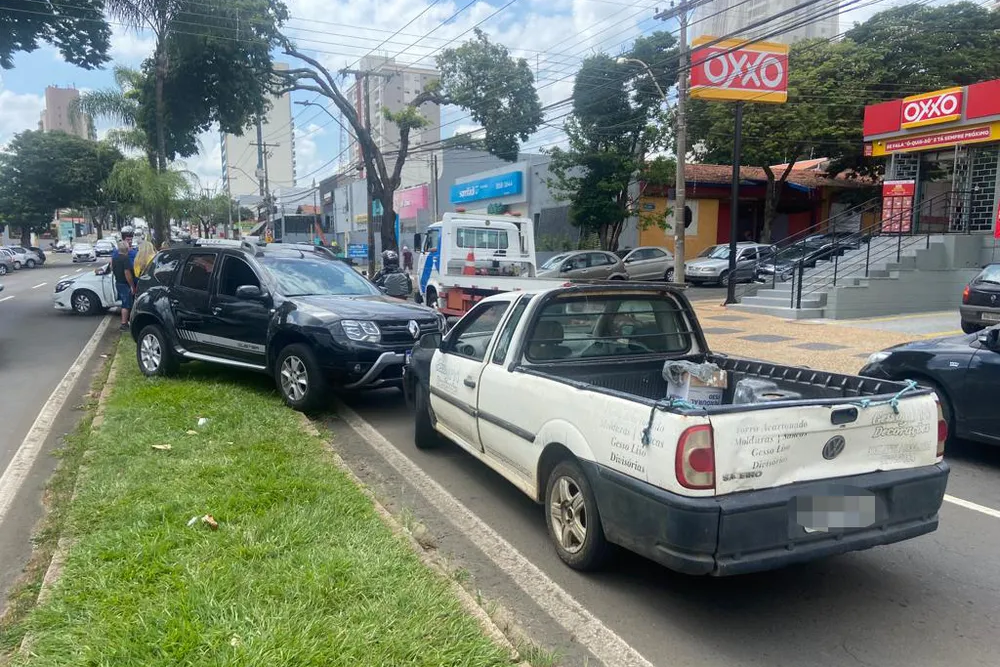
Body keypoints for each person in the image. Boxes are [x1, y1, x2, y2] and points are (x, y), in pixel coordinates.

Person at [112, 240, 135, 332]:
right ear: (127, 249)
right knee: (126, 304)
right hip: (125, 284)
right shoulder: (125, 259)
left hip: (118, 282)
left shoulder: (115, 259)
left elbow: (112, 269)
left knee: (125, 302)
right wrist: (132, 286)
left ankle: (126, 322)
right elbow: (127, 273)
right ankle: (124, 324)